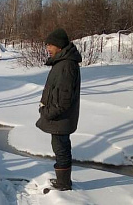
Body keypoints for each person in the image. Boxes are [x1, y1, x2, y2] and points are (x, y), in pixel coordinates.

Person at [36, 28, 82, 191]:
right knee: (60, 147)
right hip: (60, 117)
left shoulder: (66, 66)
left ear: (59, 46)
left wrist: (47, 113)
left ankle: (64, 184)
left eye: (50, 45)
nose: (47, 48)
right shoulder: (62, 63)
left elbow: (64, 100)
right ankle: (63, 181)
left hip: (61, 117)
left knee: (61, 149)